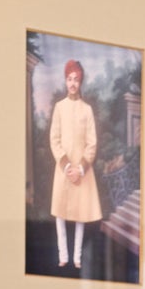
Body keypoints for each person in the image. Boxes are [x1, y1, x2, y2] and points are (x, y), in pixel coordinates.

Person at [48, 60, 101, 271]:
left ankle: (77, 257)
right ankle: (63, 255)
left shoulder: (87, 110)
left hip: (82, 170)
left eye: (76, 79)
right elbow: (54, 139)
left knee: (81, 214)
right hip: (63, 169)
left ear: (80, 82)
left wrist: (80, 169)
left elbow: (92, 143)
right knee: (60, 214)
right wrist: (66, 165)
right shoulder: (59, 107)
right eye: (69, 79)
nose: (72, 83)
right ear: (65, 81)